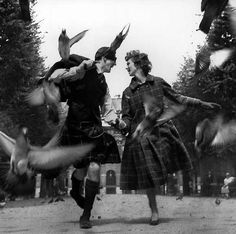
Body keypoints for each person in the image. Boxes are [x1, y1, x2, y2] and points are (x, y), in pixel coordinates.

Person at [117, 50, 220, 225]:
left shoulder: (158, 82)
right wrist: (123, 124)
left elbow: (178, 98)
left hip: (162, 132)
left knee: (163, 166)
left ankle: (178, 189)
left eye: (128, 63)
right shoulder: (127, 92)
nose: (126, 66)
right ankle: (154, 211)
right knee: (150, 173)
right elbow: (127, 118)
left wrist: (202, 104)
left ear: (139, 64)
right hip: (141, 137)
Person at [49, 27, 129, 228]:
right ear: (103, 59)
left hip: (93, 129)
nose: (115, 65)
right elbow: (58, 77)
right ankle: (76, 191)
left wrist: (118, 122)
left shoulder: (103, 84)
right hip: (74, 127)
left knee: (93, 166)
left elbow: (108, 109)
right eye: (113, 61)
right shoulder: (83, 68)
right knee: (80, 170)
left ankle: (86, 214)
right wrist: (81, 69)